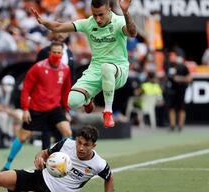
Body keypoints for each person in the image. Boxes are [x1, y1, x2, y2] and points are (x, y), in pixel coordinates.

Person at [31, 0, 137, 128]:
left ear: (109, 10)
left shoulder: (119, 21)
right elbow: (58, 27)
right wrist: (44, 22)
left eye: (101, 15)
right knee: (72, 101)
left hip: (118, 70)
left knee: (107, 67)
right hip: (95, 70)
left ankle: (108, 112)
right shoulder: (88, 23)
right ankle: (88, 99)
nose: (97, 19)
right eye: (94, 14)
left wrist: (125, 12)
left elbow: (132, 33)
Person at [1, 41, 72, 171]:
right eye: (54, 52)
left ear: (63, 54)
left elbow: (65, 91)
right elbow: (26, 89)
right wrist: (25, 109)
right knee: (23, 137)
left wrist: (66, 110)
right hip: (36, 109)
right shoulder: (38, 68)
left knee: (67, 132)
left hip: (54, 108)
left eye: (59, 53)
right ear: (49, 53)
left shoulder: (65, 69)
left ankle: (69, 163)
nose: (57, 55)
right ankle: (7, 165)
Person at [36, 31, 74, 150]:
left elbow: (71, 76)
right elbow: (36, 73)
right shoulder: (44, 52)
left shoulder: (69, 52)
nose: (60, 34)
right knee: (46, 128)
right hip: (46, 95)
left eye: (63, 31)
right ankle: (44, 157)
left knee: (61, 127)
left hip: (62, 96)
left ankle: (59, 155)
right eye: (57, 31)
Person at [166, 51, 192, 132]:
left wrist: (179, 78)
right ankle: (172, 125)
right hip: (172, 90)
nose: (171, 58)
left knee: (181, 108)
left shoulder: (183, 67)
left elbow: (189, 78)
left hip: (181, 90)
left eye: (173, 56)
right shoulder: (168, 66)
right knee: (171, 108)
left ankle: (180, 126)